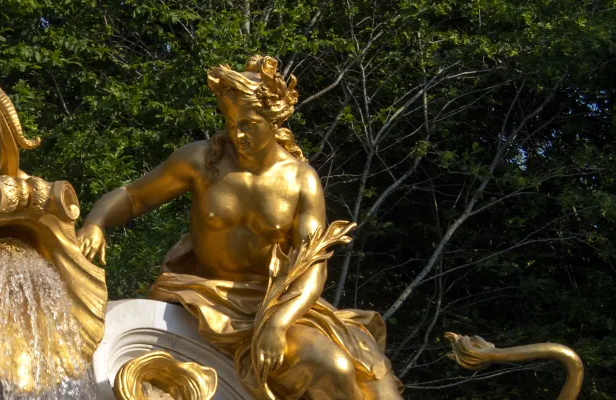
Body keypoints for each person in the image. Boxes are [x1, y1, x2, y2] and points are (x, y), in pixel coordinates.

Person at [77, 55, 403, 399]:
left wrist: (278, 322)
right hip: (201, 294)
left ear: (273, 119)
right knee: (331, 367)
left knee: (347, 372)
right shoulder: (203, 161)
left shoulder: (301, 181)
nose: (237, 133)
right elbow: (133, 197)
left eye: (249, 123)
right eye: (231, 122)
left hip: (272, 303)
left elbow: (313, 268)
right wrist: (96, 222)